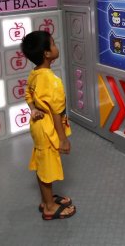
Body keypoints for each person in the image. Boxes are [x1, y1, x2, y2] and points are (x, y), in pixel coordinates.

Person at [21, 30, 76, 220]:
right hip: (47, 130)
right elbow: (56, 113)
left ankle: (46, 200)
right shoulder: (52, 81)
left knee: (41, 162)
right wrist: (63, 139)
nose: (55, 46)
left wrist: (33, 109)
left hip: (38, 127)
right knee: (46, 167)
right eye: (53, 44)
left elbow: (28, 95)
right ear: (46, 53)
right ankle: (50, 208)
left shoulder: (35, 73)